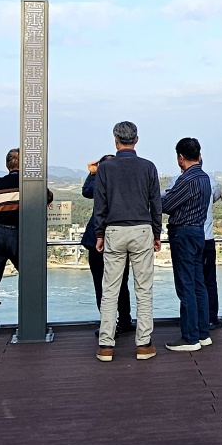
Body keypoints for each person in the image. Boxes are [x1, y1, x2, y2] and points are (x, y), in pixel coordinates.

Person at [93, 121, 162, 362]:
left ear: (115, 140)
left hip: (114, 230)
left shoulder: (105, 168)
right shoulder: (148, 167)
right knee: (143, 289)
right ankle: (143, 344)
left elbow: (100, 204)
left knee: (110, 290)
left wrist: (99, 234)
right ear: (137, 140)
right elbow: (156, 203)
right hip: (142, 229)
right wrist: (156, 233)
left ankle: (106, 345)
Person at [0, 148, 54, 340]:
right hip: (22, 235)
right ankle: (33, 325)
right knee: (31, 281)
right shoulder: (33, 184)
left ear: (7, 165)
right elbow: (48, 197)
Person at [160, 137, 213, 351]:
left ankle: (190, 337)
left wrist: (164, 195)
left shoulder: (187, 179)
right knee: (199, 283)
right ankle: (203, 333)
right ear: (199, 154)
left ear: (180, 158)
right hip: (199, 232)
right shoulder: (205, 178)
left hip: (183, 233)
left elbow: (166, 205)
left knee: (185, 285)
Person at [82, 155, 132, 335]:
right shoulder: (124, 182)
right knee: (122, 282)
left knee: (101, 283)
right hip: (122, 237)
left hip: (97, 239)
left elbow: (86, 191)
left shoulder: (100, 182)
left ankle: (108, 324)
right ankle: (125, 320)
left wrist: (93, 174)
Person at [202, 167, 222, 330]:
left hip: (186, 239)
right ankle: (211, 318)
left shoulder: (176, 181)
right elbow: (216, 196)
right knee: (210, 280)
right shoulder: (211, 180)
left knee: (189, 281)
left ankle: (192, 318)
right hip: (207, 237)